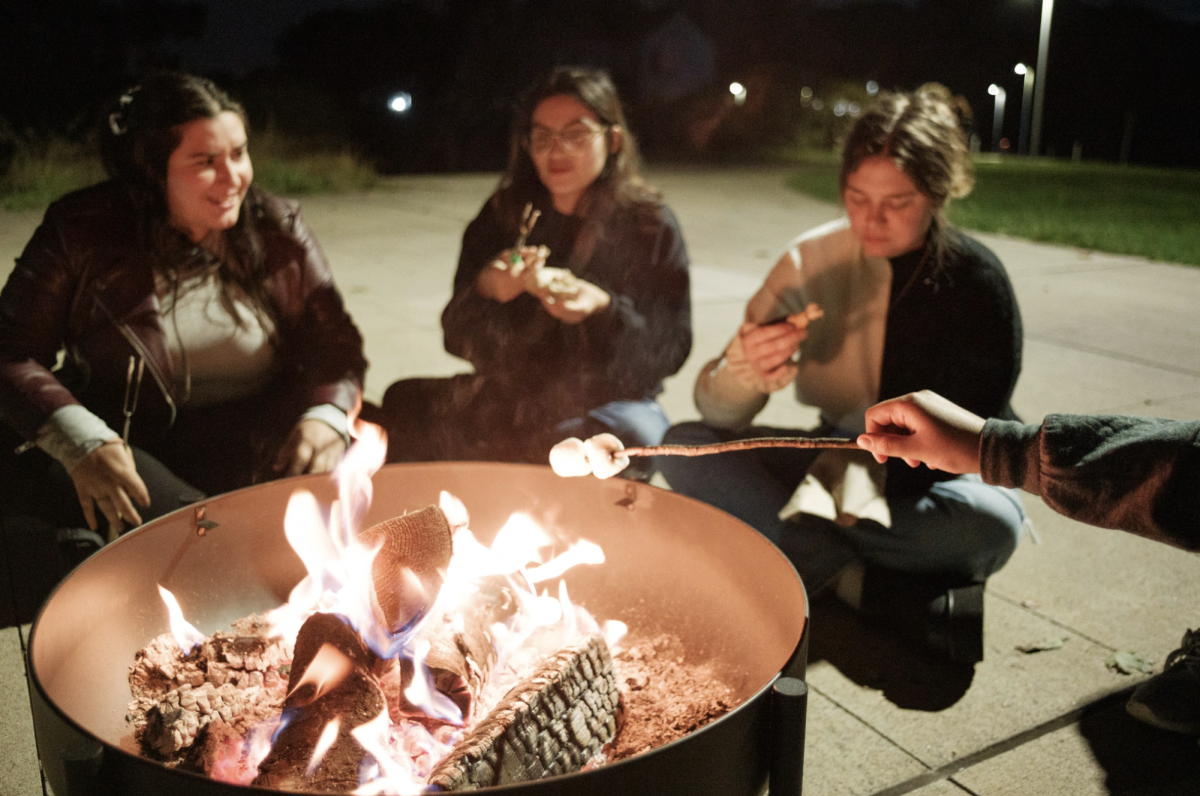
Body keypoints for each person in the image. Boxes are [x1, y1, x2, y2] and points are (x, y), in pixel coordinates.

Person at [658, 84, 1025, 664]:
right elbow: (717, 413)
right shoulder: (813, 261)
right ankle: (863, 586)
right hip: (833, 454)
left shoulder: (976, 283)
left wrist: (843, 494)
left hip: (933, 479)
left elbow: (977, 432)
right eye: (856, 197)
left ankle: (800, 559)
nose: (871, 220)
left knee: (992, 525)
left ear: (936, 193)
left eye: (897, 202)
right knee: (678, 447)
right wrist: (744, 369)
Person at [0, 72, 367, 542]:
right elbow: (10, 351)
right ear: (153, 170)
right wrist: (80, 441)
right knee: (207, 538)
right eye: (205, 161)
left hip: (262, 433)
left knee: (379, 479)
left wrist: (327, 416)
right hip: (137, 441)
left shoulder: (277, 225)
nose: (234, 177)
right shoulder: (82, 229)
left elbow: (334, 344)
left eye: (239, 153)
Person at [379, 66, 691, 473]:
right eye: (542, 137)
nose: (556, 150)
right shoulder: (502, 217)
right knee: (402, 405)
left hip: (609, 402)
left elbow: (670, 350)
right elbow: (456, 336)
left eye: (576, 134)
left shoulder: (649, 225)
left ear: (613, 140)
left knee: (633, 438)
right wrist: (488, 288)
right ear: (526, 145)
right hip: (514, 397)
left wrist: (602, 309)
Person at [858, 389, 1200, 734]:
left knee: (989, 523)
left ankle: (860, 580)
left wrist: (994, 447)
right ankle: (866, 584)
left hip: (949, 482)